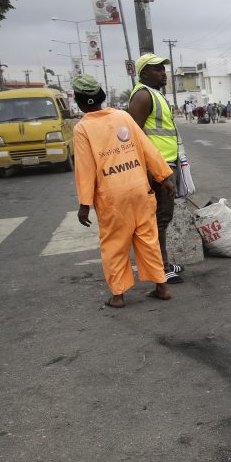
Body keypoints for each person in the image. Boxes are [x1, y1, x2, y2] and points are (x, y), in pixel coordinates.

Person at [71, 74, 174, 308]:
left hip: (112, 197)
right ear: (100, 96)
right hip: (140, 189)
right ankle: (162, 287)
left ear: (78, 101)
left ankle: (118, 295)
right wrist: (164, 177)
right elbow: (148, 148)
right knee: (148, 240)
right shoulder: (123, 116)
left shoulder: (83, 128)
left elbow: (85, 168)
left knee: (115, 245)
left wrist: (84, 204)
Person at [127, 52, 184, 284]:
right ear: (143, 74)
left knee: (163, 217)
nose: (163, 73)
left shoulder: (154, 94)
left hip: (165, 164)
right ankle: (161, 266)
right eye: (156, 69)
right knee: (159, 218)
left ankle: (163, 262)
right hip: (156, 168)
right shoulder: (142, 96)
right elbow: (135, 137)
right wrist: (154, 171)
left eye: (163, 68)